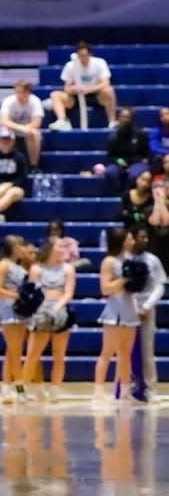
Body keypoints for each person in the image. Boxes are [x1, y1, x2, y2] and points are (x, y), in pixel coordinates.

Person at [21, 237, 76, 403]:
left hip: (61, 310)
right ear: (51, 248)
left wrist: (57, 307)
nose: (63, 248)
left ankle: (55, 391)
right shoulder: (36, 268)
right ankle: (21, 390)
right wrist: (44, 307)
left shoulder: (68, 269)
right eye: (60, 245)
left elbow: (68, 293)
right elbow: (33, 292)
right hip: (41, 310)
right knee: (32, 354)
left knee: (59, 355)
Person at [93, 227, 138, 405]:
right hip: (115, 309)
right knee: (107, 352)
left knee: (126, 353)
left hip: (129, 308)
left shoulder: (130, 260)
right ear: (121, 241)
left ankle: (125, 392)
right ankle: (98, 392)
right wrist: (124, 279)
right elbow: (105, 288)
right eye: (129, 238)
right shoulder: (109, 262)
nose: (132, 241)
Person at [127, 225, 167, 403]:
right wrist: (133, 307)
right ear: (133, 238)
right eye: (142, 237)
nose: (146, 240)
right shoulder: (124, 258)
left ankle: (150, 388)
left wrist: (147, 306)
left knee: (147, 350)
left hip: (146, 311)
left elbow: (159, 286)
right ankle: (127, 386)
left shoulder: (153, 260)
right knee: (124, 350)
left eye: (146, 237)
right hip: (127, 309)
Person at [0, 235, 29, 404]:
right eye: (20, 246)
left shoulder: (19, 266)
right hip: (9, 309)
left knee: (13, 352)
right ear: (13, 248)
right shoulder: (3, 265)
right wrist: (17, 295)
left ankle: (6, 388)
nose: (23, 249)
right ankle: (20, 390)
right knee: (15, 353)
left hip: (20, 310)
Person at [48, 41, 117, 131]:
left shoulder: (100, 63)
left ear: (90, 54)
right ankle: (62, 120)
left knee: (109, 90)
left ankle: (112, 122)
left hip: (96, 95)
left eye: (85, 55)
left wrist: (88, 89)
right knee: (55, 95)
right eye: (80, 56)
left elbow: (106, 83)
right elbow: (66, 88)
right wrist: (73, 89)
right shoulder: (70, 65)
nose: (83, 58)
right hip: (76, 97)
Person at [100, 107, 150, 195]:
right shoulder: (113, 137)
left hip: (137, 163)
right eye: (122, 117)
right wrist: (119, 160)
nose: (124, 119)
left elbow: (146, 153)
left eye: (127, 117)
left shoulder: (140, 134)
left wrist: (140, 160)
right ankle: (118, 194)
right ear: (118, 118)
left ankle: (128, 196)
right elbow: (111, 155)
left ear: (132, 119)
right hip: (120, 163)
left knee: (132, 174)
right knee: (110, 172)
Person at [0, 80, 44, 170]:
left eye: (22, 92)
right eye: (17, 92)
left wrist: (26, 128)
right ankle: (5, 162)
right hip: (13, 129)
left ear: (28, 92)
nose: (19, 95)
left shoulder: (35, 101)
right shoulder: (8, 101)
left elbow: (37, 122)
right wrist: (20, 128)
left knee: (35, 133)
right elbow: (4, 121)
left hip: (28, 129)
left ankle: (33, 165)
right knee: (4, 131)